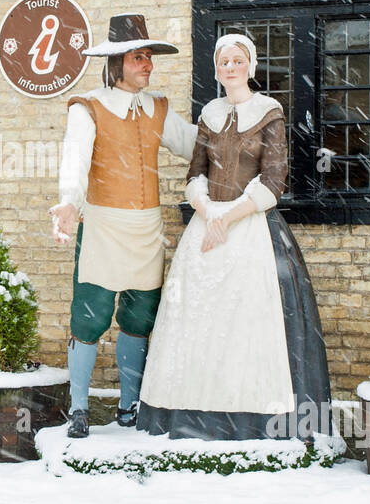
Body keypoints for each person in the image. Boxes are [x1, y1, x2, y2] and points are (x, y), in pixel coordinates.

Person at [136, 33, 332, 441]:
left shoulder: (269, 112)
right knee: (196, 326)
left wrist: (230, 216)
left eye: (237, 60)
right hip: (207, 227)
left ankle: (254, 419)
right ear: (216, 68)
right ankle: (191, 415)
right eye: (224, 61)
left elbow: (275, 179)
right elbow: (195, 173)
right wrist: (209, 213)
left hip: (253, 231)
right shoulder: (209, 112)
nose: (230, 67)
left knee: (250, 326)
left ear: (251, 66)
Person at [49, 13, 196, 438]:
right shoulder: (89, 106)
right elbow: (74, 160)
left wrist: (235, 138)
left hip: (147, 227)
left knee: (139, 316)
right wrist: (68, 204)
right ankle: (78, 408)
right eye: (138, 57)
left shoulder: (157, 107)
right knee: (90, 315)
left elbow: (192, 144)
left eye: (149, 57)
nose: (147, 64)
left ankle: (129, 405)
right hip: (103, 225)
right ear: (116, 63)